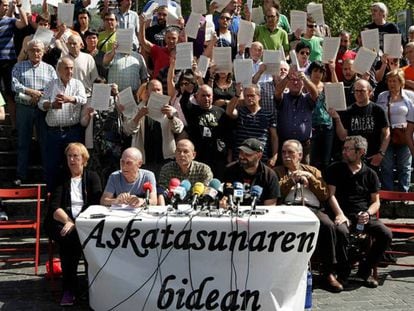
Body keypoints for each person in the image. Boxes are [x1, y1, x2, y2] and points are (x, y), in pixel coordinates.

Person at [274, 139, 346, 292]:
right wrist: (291, 180)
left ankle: (328, 273)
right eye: (283, 152)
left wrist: (310, 178)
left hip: (312, 209)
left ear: (299, 155)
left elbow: (325, 194)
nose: (286, 156)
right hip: (288, 209)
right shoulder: (277, 171)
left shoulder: (312, 170)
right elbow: (276, 193)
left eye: (290, 153)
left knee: (327, 225)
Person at [326, 135, 393, 288]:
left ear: (360, 152)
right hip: (340, 213)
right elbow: (330, 195)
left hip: (362, 215)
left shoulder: (370, 174)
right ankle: (343, 272)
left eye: (348, 149)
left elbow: (376, 202)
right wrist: (339, 214)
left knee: (386, 234)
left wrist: (368, 214)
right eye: (344, 148)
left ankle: (364, 270)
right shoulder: (335, 169)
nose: (344, 152)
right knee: (341, 231)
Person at [45, 142, 102, 306]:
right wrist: (69, 221)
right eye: (69, 156)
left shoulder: (92, 177)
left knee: (75, 239)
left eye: (75, 156)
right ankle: (70, 289)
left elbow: (94, 204)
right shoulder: (61, 177)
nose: (71, 159)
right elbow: (55, 207)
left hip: (86, 220)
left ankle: (76, 287)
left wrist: (78, 223)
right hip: (61, 219)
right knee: (68, 237)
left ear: (84, 159)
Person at [12, 39, 57, 186]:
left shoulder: (50, 68)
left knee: (45, 142)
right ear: (27, 51)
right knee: (23, 142)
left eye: (39, 50)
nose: (36, 53)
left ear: (43, 52)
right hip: (24, 108)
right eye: (33, 50)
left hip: (42, 108)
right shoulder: (19, 66)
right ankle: (21, 175)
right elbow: (14, 85)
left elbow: (54, 88)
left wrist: (38, 96)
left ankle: (47, 175)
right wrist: (32, 92)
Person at [38, 57, 88, 191]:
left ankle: (72, 195)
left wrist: (70, 99)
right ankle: (51, 196)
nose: (70, 71)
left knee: (74, 165)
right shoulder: (51, 84)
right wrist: (51, 104)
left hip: (73, 131)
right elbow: (41, 104)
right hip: (53, 131)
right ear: (58, 70)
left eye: (72, 68)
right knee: (52, 165)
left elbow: (83, 99)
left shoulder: (78, 84)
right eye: (66, 68)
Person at [122, 79, 184, 177]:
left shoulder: (170, 110)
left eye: (158, 90)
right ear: (147, 92)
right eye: (153, 90)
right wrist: (138, 116)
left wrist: (171, 117)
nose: (156, 92)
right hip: (144, 159)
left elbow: (179, 129)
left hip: (165, 158)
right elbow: (128, 130)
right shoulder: (138, 109)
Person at [328, 79, 390, 169]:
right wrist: (337, 118)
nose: (358, 93)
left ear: (369, 92)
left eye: (362, 91)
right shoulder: (348, 111)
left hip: (372, 158)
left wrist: (381, 154)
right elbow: (343, 137)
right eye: (356, 91)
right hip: (352, 159)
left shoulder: (378, 110)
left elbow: (386, 134)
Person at [376, 69, 414, 191]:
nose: (392, 84)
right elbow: (377, 115)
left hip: (404, 135)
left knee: (404, 166)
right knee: (386, 166)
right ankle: (388, 193)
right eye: (390, 81)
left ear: (401, 82)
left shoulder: (410, 96)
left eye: (395, 81)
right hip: (387, 135)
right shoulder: (382, 96)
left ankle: (404, 193)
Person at [274, 65, 318, 164]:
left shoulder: (307, 98)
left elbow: (315, 93)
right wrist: (288, 77)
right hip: (284, 145)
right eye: (293, 80)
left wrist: (305, 79)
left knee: (304, 173)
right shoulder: (283, 98)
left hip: (303, 147)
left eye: (298, 80)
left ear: (303, 84)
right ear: (288, 83)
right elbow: (277, 91)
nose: (295, 82)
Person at [227, 84, 278, 166]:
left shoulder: (268, 114)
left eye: (252, 95)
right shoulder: (240, 112)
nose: (249, 98)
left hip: (260, 159)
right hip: (241, 158)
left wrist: (274, 156)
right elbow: (229, 112)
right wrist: (237, 95)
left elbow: (274, 137)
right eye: (246, 96)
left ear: (259, 97)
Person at [223, 138, 280, 206]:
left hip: (259, 215)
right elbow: (223, 199)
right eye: (241, 152)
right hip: (232, 214)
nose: (242, 157)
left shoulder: (270, 175)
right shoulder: (229, 170)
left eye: (247, 154)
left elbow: (270, 207)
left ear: (259, 155)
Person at [0, 0, 28, 130]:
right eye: (4, 5)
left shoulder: (10, 21)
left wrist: (20, 7)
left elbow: (24, 23)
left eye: (7, 5)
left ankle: (14, 126)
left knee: (11, 94)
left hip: (8, 61)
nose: (7, 7)